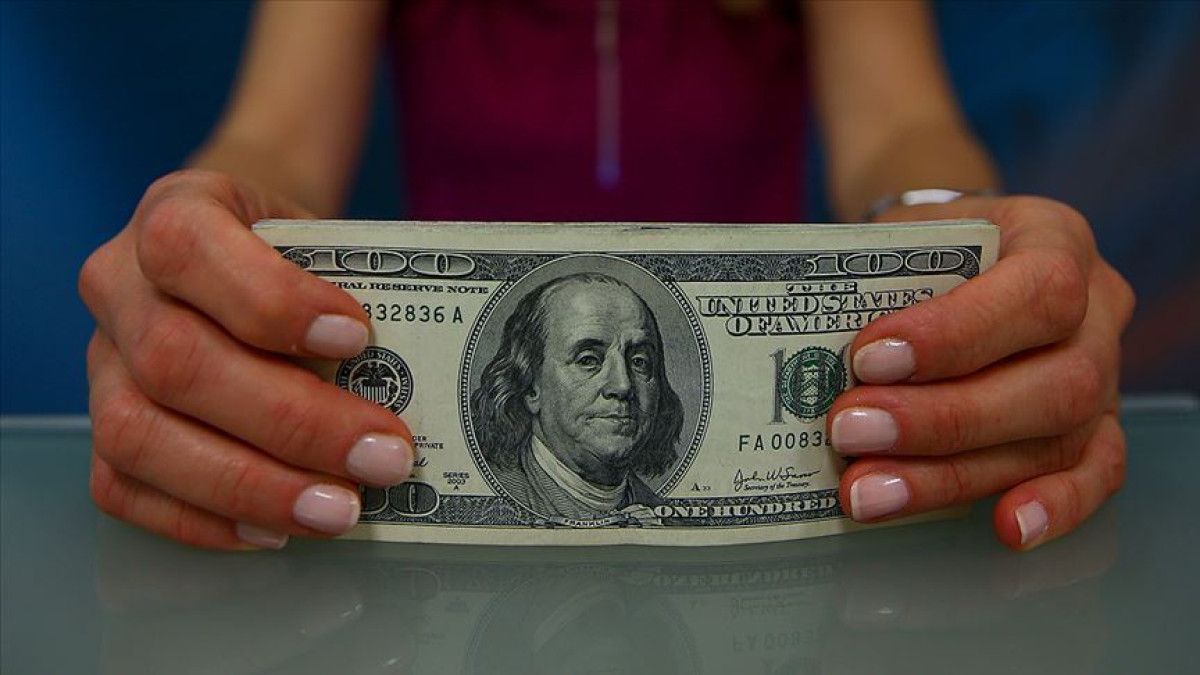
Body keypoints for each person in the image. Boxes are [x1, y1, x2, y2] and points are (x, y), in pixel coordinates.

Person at [78, 1, 1133, 551]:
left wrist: (957, 246)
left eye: (637, 358)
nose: (626, 381)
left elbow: (903, 126)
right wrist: (206, 237)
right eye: (590, 357)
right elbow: (275, 141)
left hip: (769, 535)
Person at [471, 273, 683, 521]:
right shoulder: (490, 507)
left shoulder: (669, 519)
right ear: (530, 386)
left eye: (639, 362)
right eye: (588, 360)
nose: (623, 385)